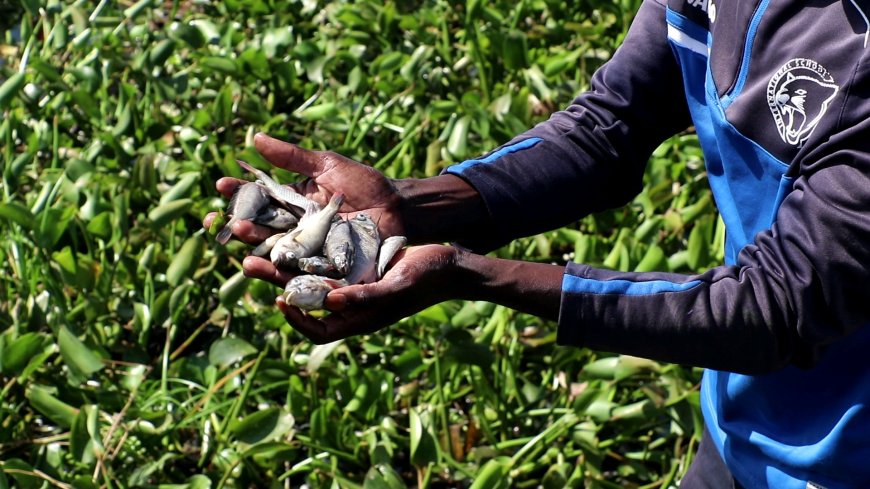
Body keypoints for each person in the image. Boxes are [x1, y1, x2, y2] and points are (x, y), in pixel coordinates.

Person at [203, 0, 870, 487]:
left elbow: (771, 307)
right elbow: (607, 128)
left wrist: (476, 275)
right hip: (746, 431)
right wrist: (410, 205)